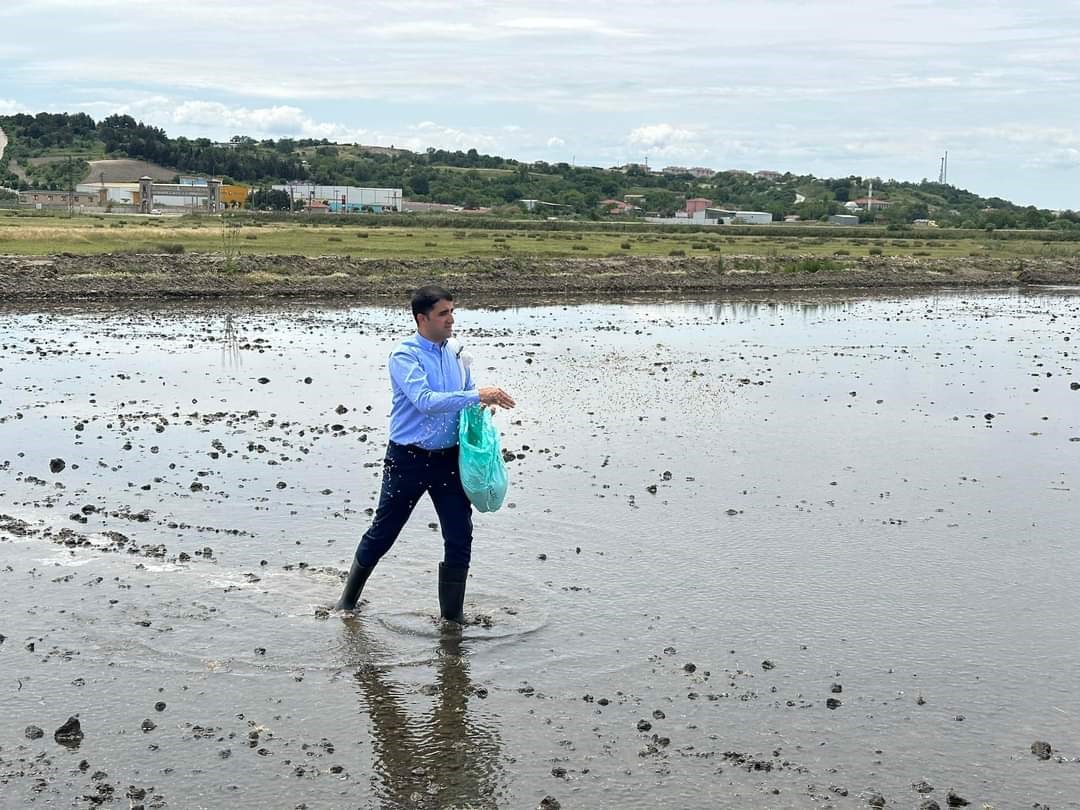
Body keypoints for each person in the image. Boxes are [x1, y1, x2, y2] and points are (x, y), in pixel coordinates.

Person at [335, 284, 515, 623]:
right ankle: (346, 603)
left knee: (460, 535)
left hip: (449, 460)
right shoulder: (405, 356)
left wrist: (480, 411)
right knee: (384, 532)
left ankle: (453, 621)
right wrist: (478, 395)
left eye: (452, 311)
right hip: (408, 460)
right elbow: (426, 401)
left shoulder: (457, 353)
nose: (451, 319)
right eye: (443, 313)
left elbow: (463, 399)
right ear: (422, 318)